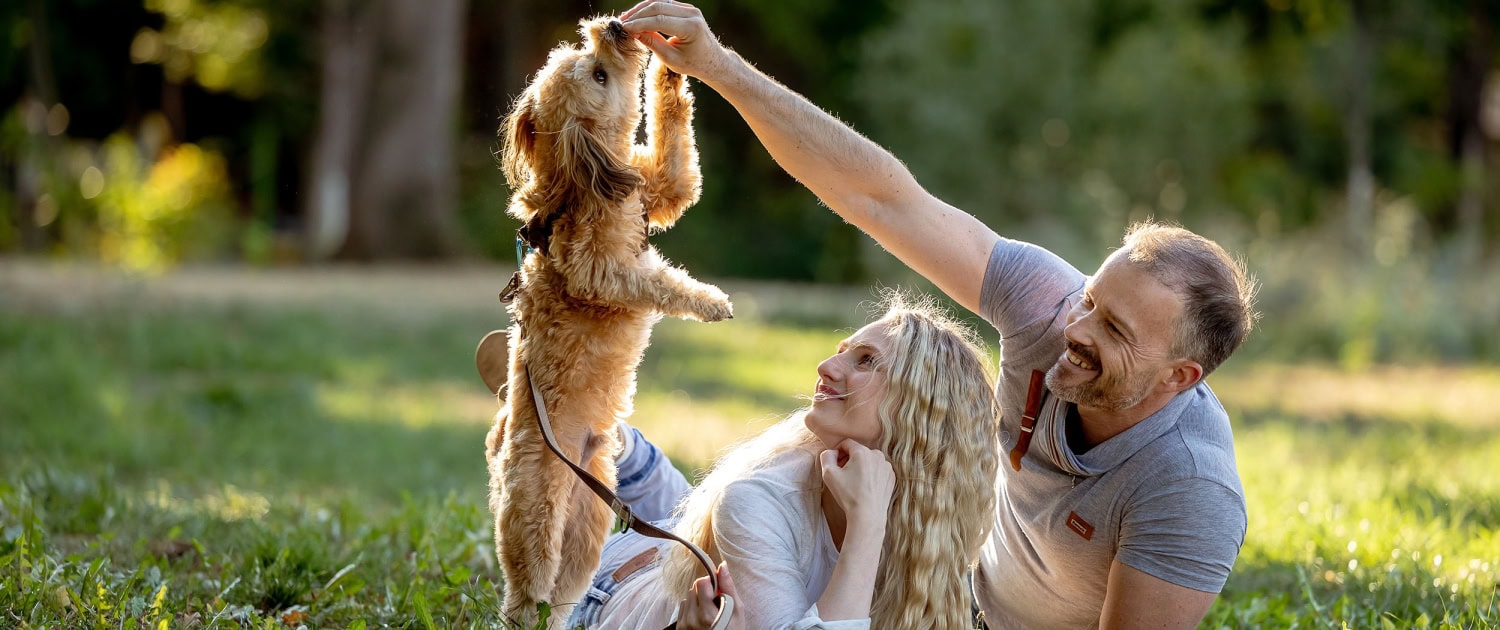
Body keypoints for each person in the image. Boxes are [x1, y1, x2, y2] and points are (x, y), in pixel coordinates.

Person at [618, 3, 1260, 628]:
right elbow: (881, 198)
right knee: (715, 535)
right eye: (1091, 299)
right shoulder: (1047, 308)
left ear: (1180, 376)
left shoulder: (1191, 491)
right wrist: (717, 65)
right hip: (935, 591)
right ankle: (609, 449)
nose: (1077, 329)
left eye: (1115, 330)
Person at [565, 295, 1003, 629]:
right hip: (611, 590)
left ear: (922, 412)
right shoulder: (757, 495)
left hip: (691, 561)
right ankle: (592, 429)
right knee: (697, 521)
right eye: (843, 350)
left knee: (684, 515)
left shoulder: (937, 526)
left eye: (866, 360)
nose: (826, 365)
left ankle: (619, 444)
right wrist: (867, 524)